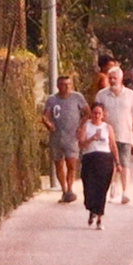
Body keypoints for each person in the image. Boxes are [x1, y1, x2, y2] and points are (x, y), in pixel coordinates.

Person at [44, 74, 88, 202]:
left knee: (72, 164)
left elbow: (87, 113)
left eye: (69, 84)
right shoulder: (52, 99)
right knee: (58, 163)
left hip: (72, 137)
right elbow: (46, 116)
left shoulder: (77, 97)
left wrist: (81, 127)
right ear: (58, 86)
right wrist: (48, 124)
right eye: (63, 84)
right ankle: (64, 189)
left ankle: (70, 189)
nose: (67, 87)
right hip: (57, 137)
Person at [78, 97, 117, 229]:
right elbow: (81, 144)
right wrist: (91, 139)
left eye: (99, 113)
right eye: (95, 113)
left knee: (101, 189)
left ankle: (100, 217)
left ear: (103, 114)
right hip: (90, 159)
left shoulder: (107, 127)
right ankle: (91, 209)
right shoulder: (86, 126)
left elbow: (112, 145)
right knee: (89, 188)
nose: (97, 116)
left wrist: (118, 162)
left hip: (104, 160)